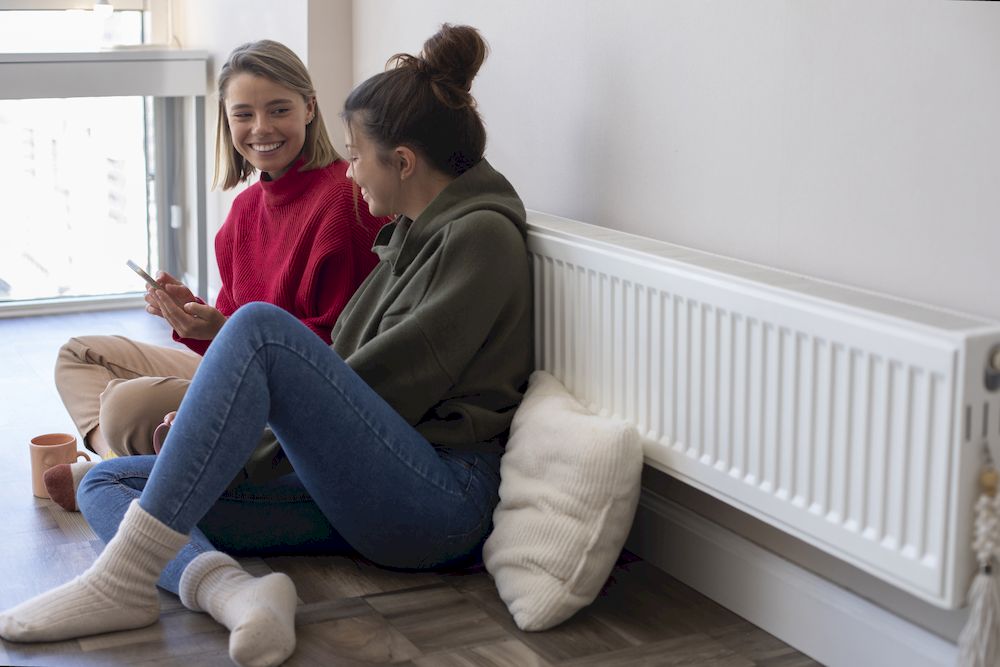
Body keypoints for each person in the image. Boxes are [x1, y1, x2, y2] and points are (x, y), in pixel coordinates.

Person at [0, 23, 531, 667]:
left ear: (404, 161)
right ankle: (239, 598)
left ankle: (121, 579)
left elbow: (383, 390)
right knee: (108, 483)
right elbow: (349, 385)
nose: (350, 169)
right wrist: (215, 438)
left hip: (437, 501)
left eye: (357, 154)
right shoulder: (413, 235)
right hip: (357, 486)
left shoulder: (479, 239)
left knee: (255, 327)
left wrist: (236, 445)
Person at [52, 39, 388, 463]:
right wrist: (192, 315)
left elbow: (345, 352)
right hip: (239, 372)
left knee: (123, 406)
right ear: (227, 121)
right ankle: (116, 465)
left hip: (295, 395)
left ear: (309, 108)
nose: (261, 128)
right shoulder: (243, 213)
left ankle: (125, 470)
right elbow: (225, 340)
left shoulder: (347, 201)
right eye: (243, 114)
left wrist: (222, 330)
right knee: (77, 355)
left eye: (279, 109)